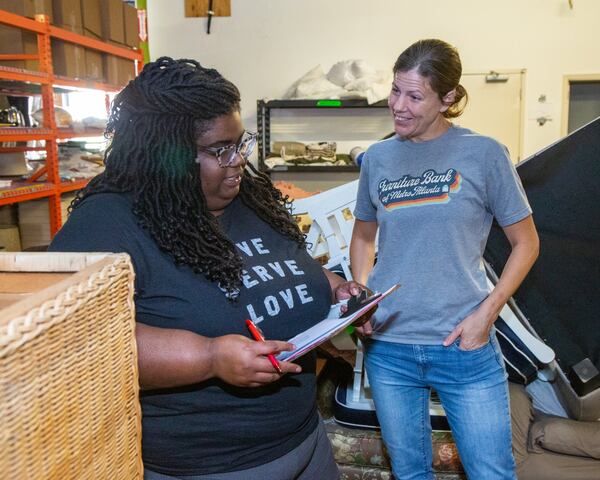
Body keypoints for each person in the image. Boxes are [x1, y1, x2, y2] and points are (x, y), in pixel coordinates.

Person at [49, 57, 366, 479]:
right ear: (168, 155)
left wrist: (334, 288)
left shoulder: (249, 198)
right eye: (220, 150)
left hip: (305, 442)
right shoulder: (107, 223)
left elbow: (289, 265)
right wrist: (209, 357)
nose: (237, 160)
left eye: (240, 143)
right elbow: (80, 343)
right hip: (208, 465)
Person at [349, 39, 540, 479]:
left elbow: (526, 243)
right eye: (396, 91)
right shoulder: (377, 159)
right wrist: (361, 294)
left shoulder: (484, 154)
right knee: (410, 471)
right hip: (388, 346)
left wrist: (487, 315)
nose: (398, 106)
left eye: (415, 96)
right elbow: (363, 236)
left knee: (490, 471)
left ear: (448, 99)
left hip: (463, 344)